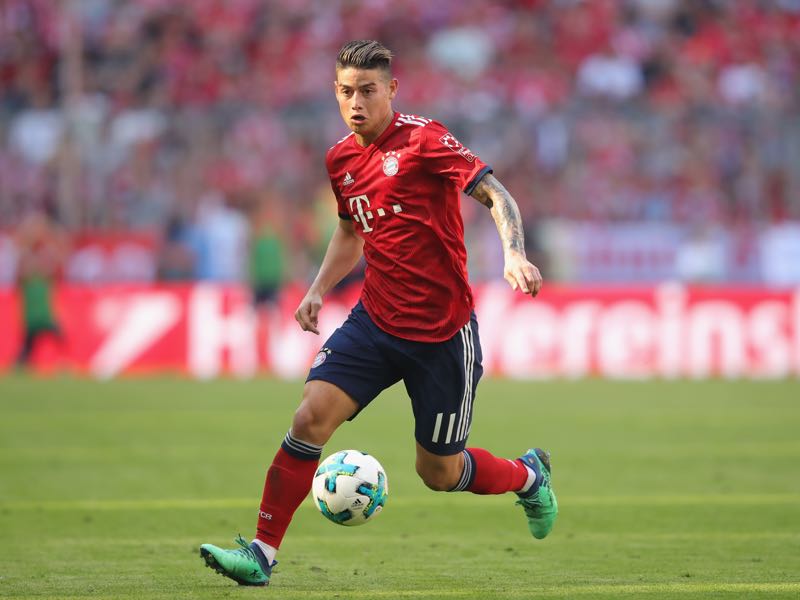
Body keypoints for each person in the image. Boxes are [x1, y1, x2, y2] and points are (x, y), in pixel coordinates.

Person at [200, 40, 558, 587]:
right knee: (308, 418)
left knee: (438, 471)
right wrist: (318, 288)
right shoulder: (340, 157)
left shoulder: (424, 140)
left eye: (368, 90)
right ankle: (261, 554)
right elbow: (350, 229)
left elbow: (496, 193)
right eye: (346, 91)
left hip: (442, 335)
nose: (356, 102)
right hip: (376, 322)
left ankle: (527, 477)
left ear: (391, 89)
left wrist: (513, 252)